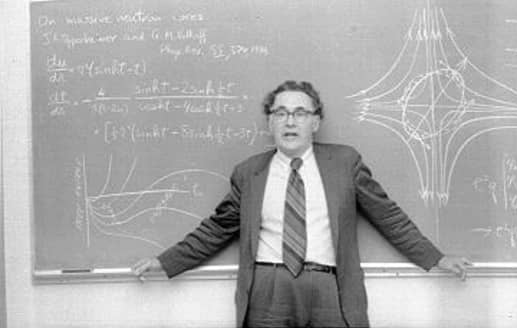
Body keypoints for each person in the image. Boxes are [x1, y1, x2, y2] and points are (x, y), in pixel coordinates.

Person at [132, 80, 471, 327]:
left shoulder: (345, 163)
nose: (290, 121)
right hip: (268, 289)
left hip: (330, 288)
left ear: (315, 122)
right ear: (270, 122)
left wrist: (436, 258)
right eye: (280, 113)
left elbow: (389, 216)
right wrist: (164, 261)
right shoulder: (249, 173)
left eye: (299, 113)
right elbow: (215, 230)